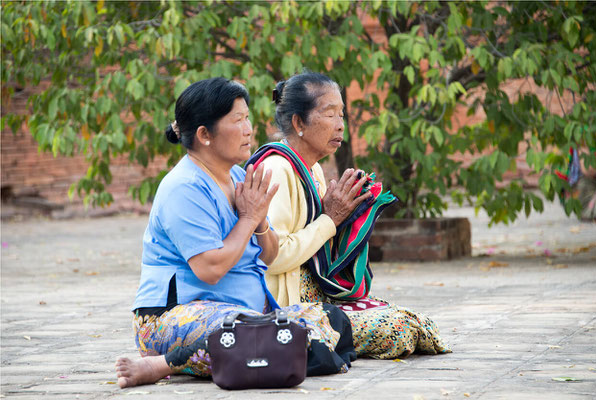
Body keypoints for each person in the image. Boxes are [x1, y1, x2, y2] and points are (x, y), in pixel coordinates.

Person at [115, 78, 354, 388]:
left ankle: (262, 345)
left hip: (247, 315)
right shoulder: (184, 187)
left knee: (332, 321)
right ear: (204, 135)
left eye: (248, 118)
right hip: (172, 318)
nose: (248, 129)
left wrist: (260, 222)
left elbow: (268, 254)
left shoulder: (239, 177)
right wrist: (248, 218)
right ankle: (162, 364)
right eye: (237, 120)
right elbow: (210, 269)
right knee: (245, 333)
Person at [247, 72, 451, 359]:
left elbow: (320, 242)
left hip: (318, 296)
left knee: (417, 321)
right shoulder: (276, 170)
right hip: (286, 304)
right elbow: (274, 257)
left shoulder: (312, 168)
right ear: (298, 123)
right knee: (399, 329)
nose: (340, 125)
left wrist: (349, 216)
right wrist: (330, 220)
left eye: (341, 114)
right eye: (329, 114)